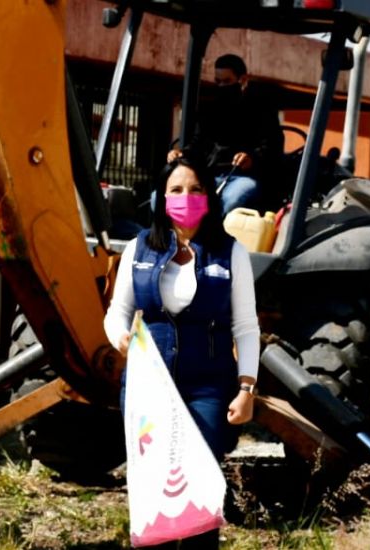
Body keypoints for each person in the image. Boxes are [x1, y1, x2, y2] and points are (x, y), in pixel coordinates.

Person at [103, 157, 261, 548]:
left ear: (209, 196)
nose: (185, 197)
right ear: (162, 198)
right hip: (147, 388)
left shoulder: (230, 253)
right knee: (153, 490)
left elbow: (246, 326)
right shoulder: (139, 248)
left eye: (195, 189)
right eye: (176, 190)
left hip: (207, 386)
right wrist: (121, 338)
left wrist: (247, 389)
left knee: (201, 486)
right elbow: (116, 314)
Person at [167, 54, 285, 216]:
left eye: (227, 81)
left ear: (242, 80)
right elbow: (198, 143)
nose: (222, 86)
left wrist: (252, 158)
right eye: (218, 82)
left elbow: (273, 147)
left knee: (231, 200)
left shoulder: (262, 110)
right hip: (208, 176)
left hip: (242, 177)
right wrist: (182, 153)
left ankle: (210, 236)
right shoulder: (210, 111)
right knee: (161, 198)